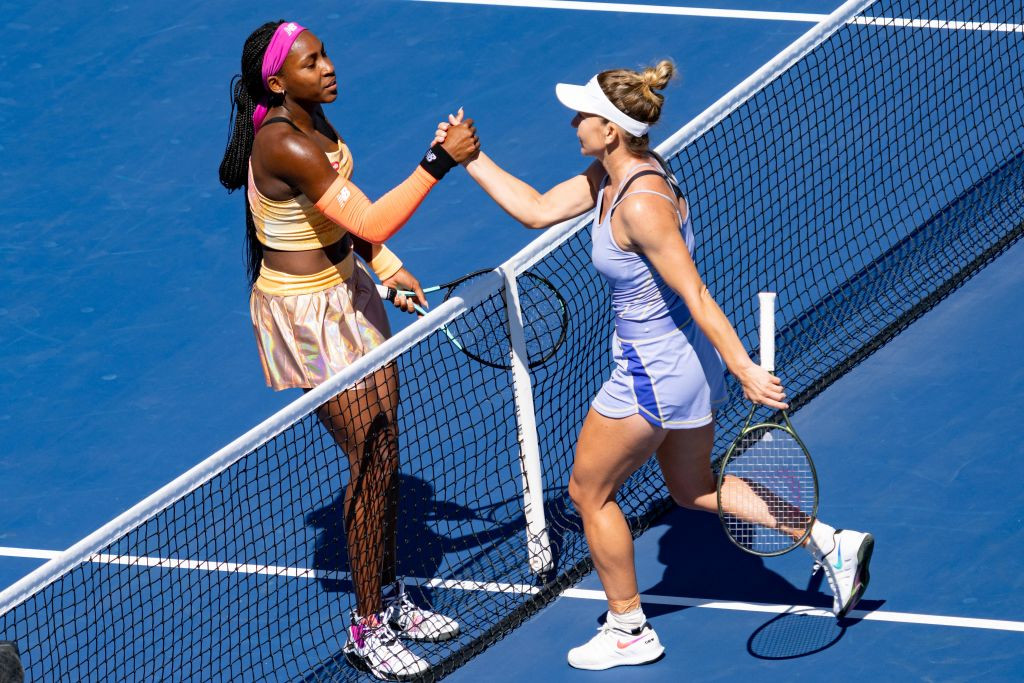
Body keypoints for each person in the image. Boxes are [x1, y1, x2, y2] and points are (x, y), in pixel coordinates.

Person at [435, 60, 873, 670]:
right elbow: (535, 209)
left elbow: (695, 293)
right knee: (693, 489)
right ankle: (829, 541)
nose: (573, 122)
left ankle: (629, 628)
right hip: (682, 365)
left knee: (589, 494)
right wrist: (469, 157)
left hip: (654, 374)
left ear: (610, 130)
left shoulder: (639, 206)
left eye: (583, 115)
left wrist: (745, 367)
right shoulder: (616, 175)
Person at [218, 20, 479, 680]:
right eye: (311, 63)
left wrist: (385, 267)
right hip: (303, 316)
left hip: (350, 290)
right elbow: (369, 216)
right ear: (278, 83)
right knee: (368, 455)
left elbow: (350, 227)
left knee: (387, 448)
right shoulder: (282, 143)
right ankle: (366, 626)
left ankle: (391, 599)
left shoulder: (318, 123)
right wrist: (438, 162)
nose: (328, 68)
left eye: (325, 54)